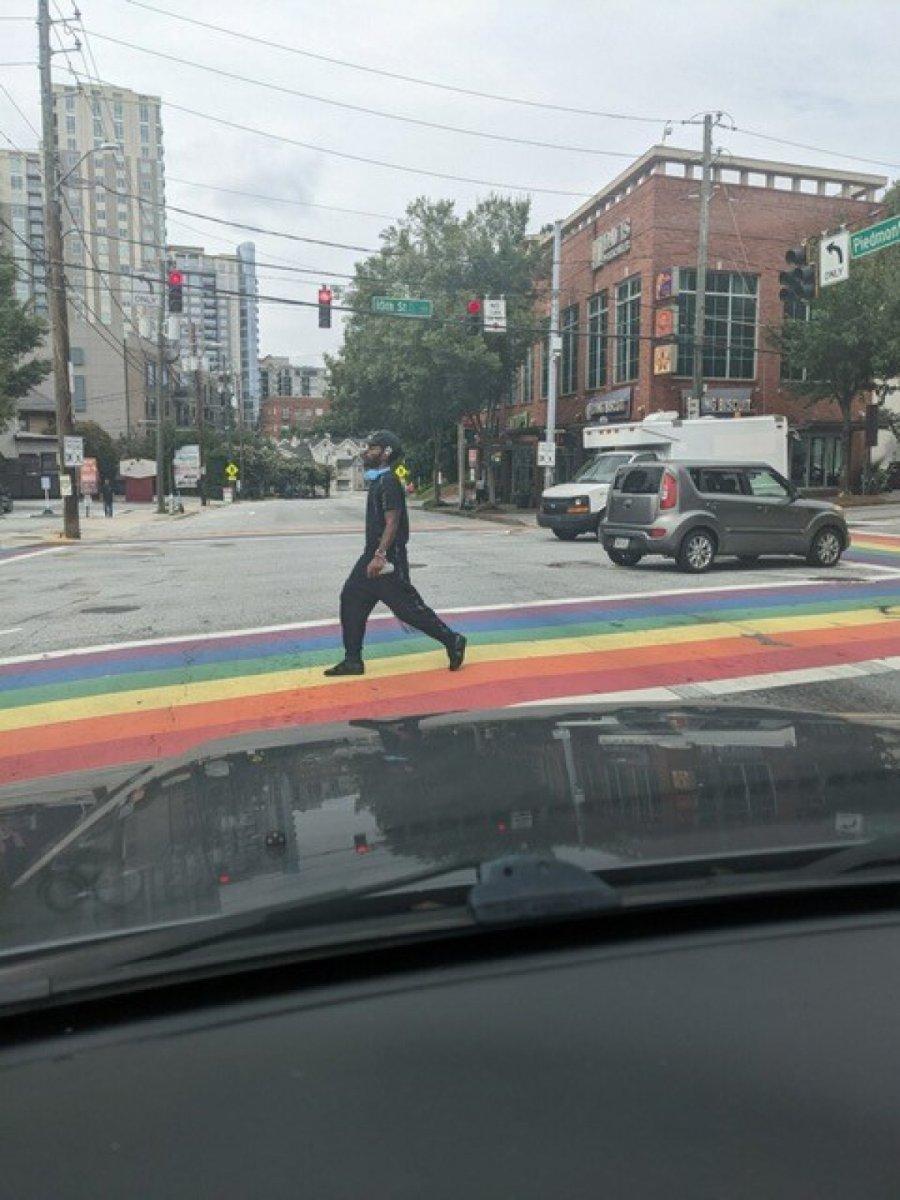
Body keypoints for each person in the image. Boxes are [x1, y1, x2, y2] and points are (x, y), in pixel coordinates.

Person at [324, 430, 466, 677]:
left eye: (373, 448)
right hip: (372, 554)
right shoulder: (379, 481)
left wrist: (380, 555)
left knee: (408, 610)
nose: (367, 452)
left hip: (387, 556)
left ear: (386, 453)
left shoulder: (388, 482)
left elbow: (393, 521)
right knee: (351, 599)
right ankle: (352, 660)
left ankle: (452, 640)